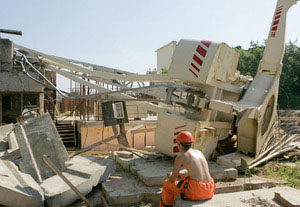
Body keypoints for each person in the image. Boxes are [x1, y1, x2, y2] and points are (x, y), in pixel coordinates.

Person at [160, 131, 216, 207]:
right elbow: (198, 173)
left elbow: (172, 180)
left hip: (196, 191)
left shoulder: (181, 156)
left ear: (179, 144)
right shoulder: (199, 152)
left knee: (167, 184)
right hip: (209, 189)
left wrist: (171, 175)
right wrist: (181, 175)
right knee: (185, 178)